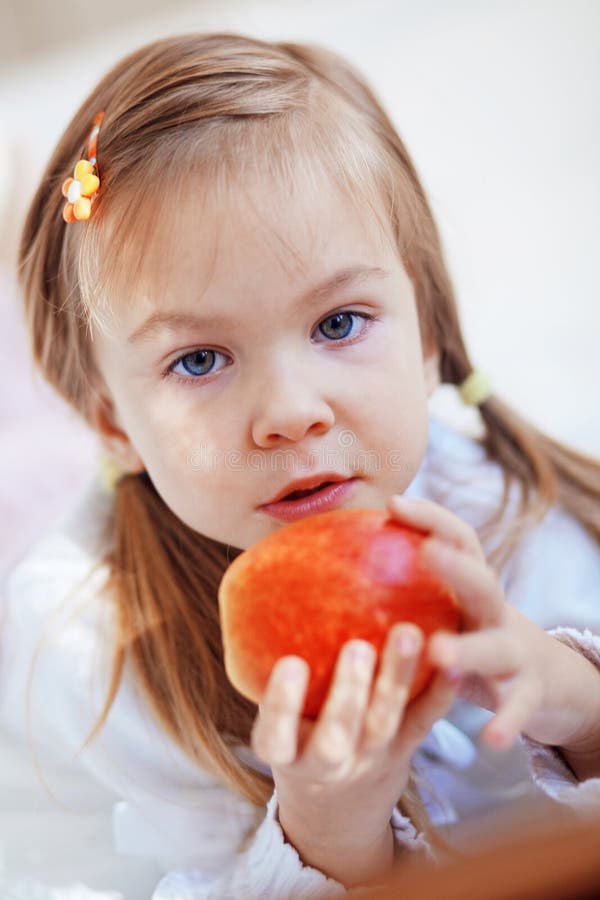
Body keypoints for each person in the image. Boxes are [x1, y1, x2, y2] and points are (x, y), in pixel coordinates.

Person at [1, 32, 599, 899]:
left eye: (339, 324)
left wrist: (570, 696)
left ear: (429, 338)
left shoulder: (510, 512)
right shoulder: (101, 655)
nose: (291, 411)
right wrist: (325, 833)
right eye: (199, 360)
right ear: (114, 425)